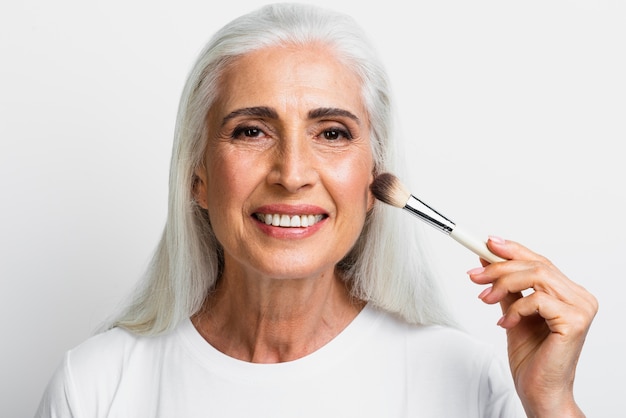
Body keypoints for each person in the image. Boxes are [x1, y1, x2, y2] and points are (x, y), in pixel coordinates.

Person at [35, 3, 597, 417]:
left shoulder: (470, 382)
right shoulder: (95, 386)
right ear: (197, 177)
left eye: (331, 132)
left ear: (373, 180)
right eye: (251, 130)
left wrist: (551, 402)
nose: (294, 172)